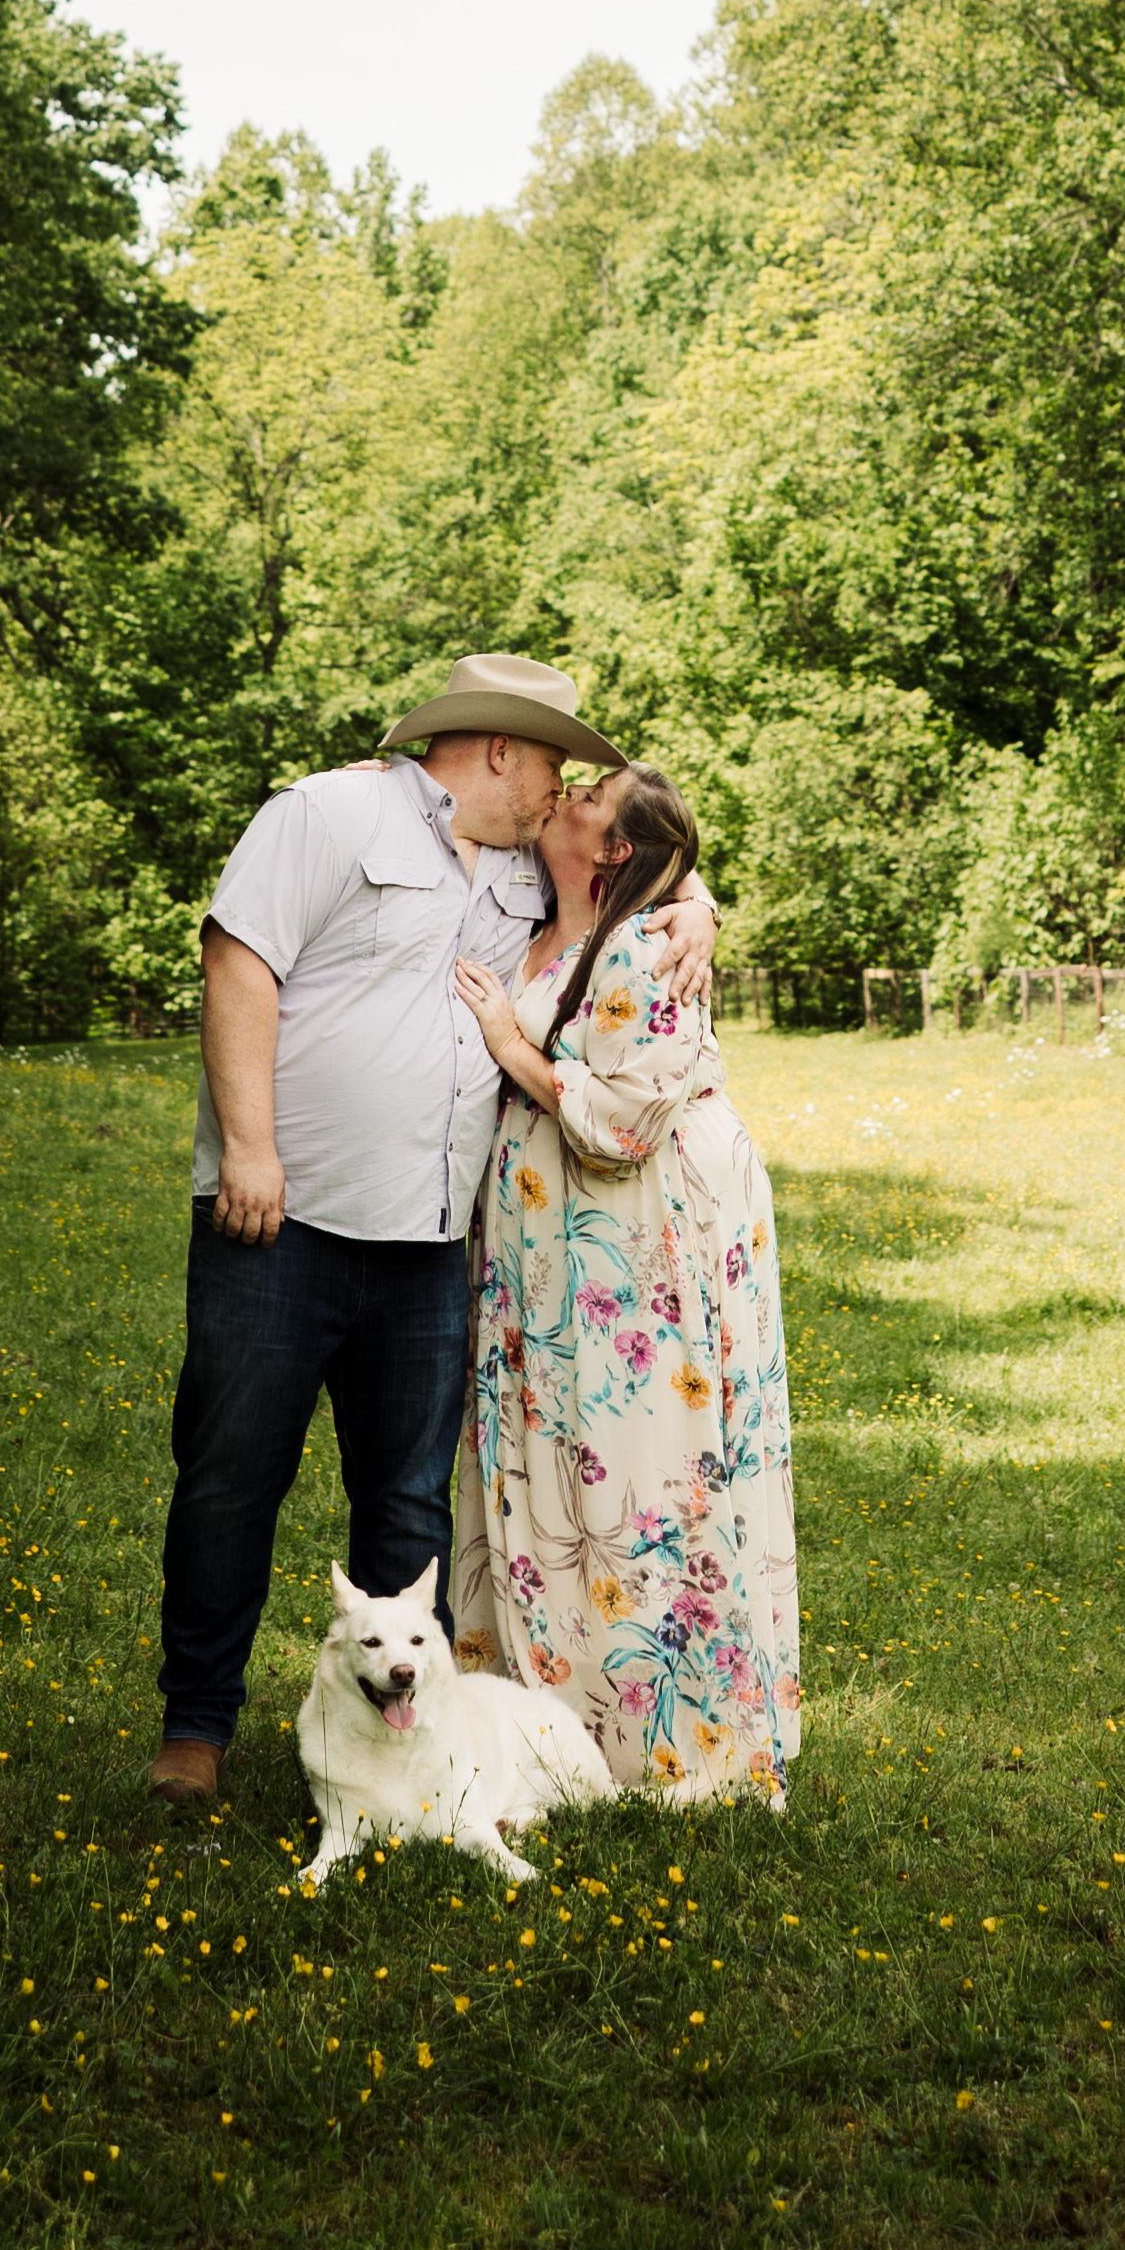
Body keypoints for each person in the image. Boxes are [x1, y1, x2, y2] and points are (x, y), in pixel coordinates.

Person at [145, 655, 715, 1815]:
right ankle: (195, 1726)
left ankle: (411, 1742)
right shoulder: (330, 811)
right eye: (555, 762)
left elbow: (631, 876)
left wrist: (699, 901)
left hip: (429, 1245)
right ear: (500, 748)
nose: (564, 789)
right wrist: (248, 1148)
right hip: (281, 1217)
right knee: (228, 1478)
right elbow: (237, 958)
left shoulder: (523, 865)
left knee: (407, 1504)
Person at [447, 757, 800, 1808]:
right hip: (541, 1267)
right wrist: (700, 896)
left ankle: (665, 1740)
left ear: (612, 852)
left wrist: (510, 1040)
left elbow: (623, 1121)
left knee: (636, 1473)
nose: (568, 794)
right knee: (550, 1466)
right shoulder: (533, 918)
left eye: (590, 797)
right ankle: (540, 1728)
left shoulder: (646, 948)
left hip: (623, 1253)